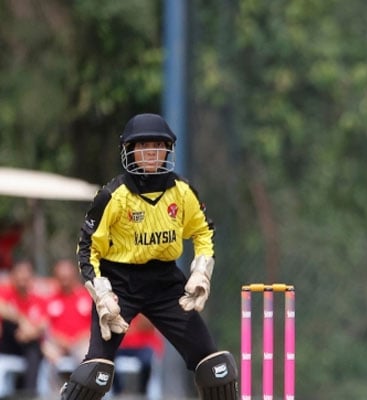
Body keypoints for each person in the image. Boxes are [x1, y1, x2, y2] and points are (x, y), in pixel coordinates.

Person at [60, 113, 238, 400]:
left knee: (215, 369)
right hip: (119, 285)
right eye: (143, 146)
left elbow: (203, 232)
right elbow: (87, 248)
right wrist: (102, 294)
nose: (152, 153)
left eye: (158, 145)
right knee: (94, 375)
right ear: (129, 152)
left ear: (168, 150)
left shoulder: (182, 192)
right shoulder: (113, 196)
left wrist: (201, 272)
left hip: (166, 283)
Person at [41, 258, 93, 392]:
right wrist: (61, 340)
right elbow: (45, 326)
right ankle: (54, 392)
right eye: (60, 278)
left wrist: (76, 340)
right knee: (47, 349)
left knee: (86, 354)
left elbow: (94, 325)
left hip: (81, 342)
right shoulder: (50, 298)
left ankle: (83, 392)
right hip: (58, 343)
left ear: (74, 276)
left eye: (67, 277)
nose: (64, 281)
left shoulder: (86, 296)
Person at [0, 259, 47, 397]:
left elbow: (43, 324)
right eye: (19, 274)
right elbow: (2, 309)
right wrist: (22, 322)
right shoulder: (5, 291)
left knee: (34, 346)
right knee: (10, 323)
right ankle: (29, 392)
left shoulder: (38, 298)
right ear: (13, 275)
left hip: (28, 343)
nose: (23, 279)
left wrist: (28, 332)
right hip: (7, 343)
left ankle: (29, 392)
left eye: (26, 276)